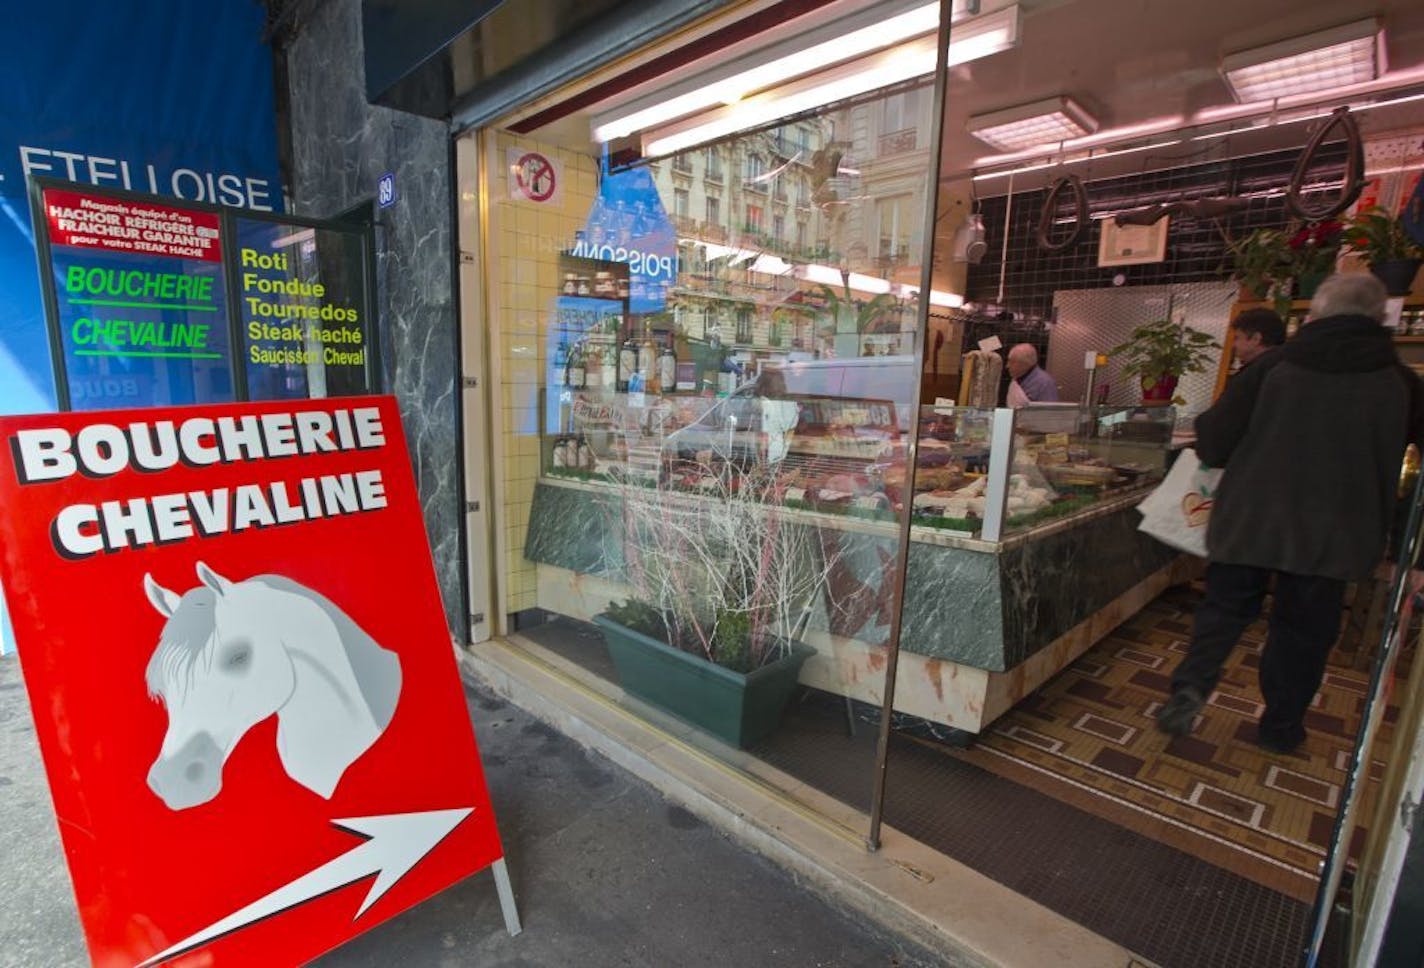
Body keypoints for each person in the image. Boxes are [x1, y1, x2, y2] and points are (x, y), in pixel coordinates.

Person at [1157, 273, 1424, 752]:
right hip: (1338, 532)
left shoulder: (1272, 367)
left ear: (1316, 316)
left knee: (1223, 611)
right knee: (1303, 632)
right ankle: (1281, 726)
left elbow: (1214, 443)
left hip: (1252, 518)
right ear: (1382, 318)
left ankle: (1191, 688)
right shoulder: (1401, 381)